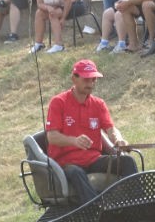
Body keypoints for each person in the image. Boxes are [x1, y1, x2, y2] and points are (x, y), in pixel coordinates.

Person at [46, 59, 138, 203]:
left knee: (127, 161)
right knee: (76, 172)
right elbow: (52, 137)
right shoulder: (58, 102)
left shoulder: (98, 104)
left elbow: (110, 128)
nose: (91, 83)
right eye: (86, 79)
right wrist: (74, 141)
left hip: (93, 159)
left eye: (94, 79)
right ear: (74, 79)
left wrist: (118, 139)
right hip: (66, 162)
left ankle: (136, 204)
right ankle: (96, 210)